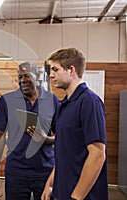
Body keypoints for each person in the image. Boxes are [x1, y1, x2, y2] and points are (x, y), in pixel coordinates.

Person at [42, 48, 108, 200]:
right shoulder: (65, 104)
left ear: (71, 70)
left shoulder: (89, 102)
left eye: (55, 69)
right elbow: (63, 152)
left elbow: (97, 155)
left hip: (82, 196)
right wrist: (50, 184)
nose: (51, 75)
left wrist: (76, 197)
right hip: (63, 192)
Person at [0, 61, 59, 200]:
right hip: (16, 171)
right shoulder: (6, 101)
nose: (22, 81)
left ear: (38, 75)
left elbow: (61, 136)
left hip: (45, 172)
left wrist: (46, 140)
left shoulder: (52, 100)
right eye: (19, 77)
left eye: (27, 76)